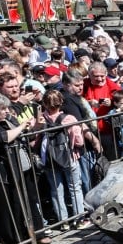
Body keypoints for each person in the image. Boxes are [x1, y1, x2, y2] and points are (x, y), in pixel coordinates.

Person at [0, 94, 49, 244]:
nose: (6, 111)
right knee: (8, 208)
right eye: (2, 108)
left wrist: (35, 126)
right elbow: (1, 138)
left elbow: (24, 136)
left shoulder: (8, 119)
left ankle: (32, 235)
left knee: (27, 202)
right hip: (2, 171)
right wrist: (22, 126)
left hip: (21, 166)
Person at [38, 90, 86, 228]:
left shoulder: (40, 120)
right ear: (61, 102)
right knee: (75, 188)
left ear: (44, 103)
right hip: (69, 157)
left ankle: (63, 222)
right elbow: (79, 141)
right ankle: (79, 219)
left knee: (56, 190)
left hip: (49, 159)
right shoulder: (69, 119)